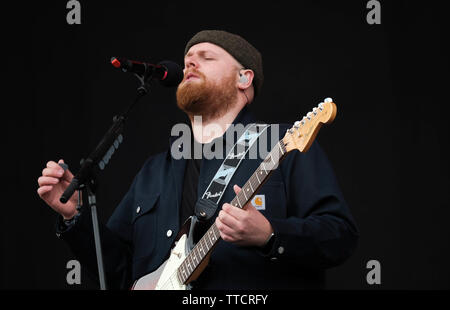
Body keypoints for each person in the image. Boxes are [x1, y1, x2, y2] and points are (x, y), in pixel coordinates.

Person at [37, 30, 359, 289]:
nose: (190, 63)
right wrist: (75, 218)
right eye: (188, 59)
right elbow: (120, 275)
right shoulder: (154, 171)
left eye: (206, 57)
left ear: (244, 78)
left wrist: (271, 236)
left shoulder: (282, 145)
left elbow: (339, 235)